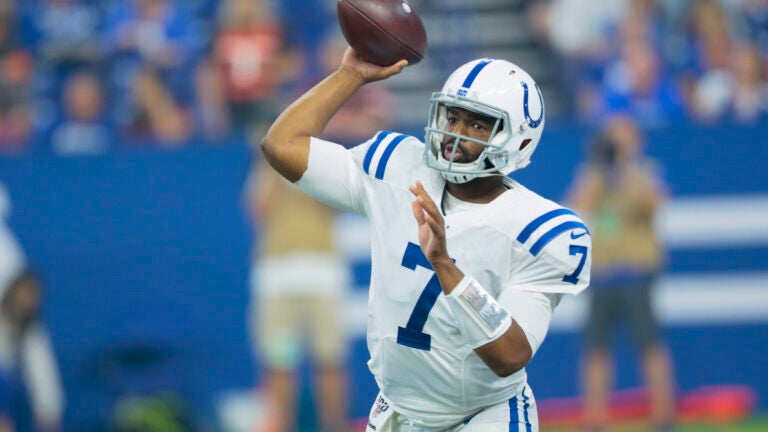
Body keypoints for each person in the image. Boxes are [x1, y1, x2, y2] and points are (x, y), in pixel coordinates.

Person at [259, 46, 592, 431]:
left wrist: (445, 266)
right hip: (399, 412)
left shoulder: (538, 228)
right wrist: (349, 76)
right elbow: (281, 145)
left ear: (517, 141)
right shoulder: (399, 166)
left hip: (486, 417)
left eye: (478, 125)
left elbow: (510, 356)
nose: (455, 134)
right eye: (453, 117)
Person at [566, 114, 675, 432]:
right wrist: (601, 167)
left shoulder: (646, 171)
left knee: (649, 344)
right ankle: (595, 418)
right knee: (595, 348)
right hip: (602, 273)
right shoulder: (594, 172)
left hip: (636, 271)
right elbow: (579, 202)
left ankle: (663, 415)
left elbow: (654, 204)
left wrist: (626, 169)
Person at [245, 159, 350, 432]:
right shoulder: (265, 168)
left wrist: (308, 171)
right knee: (281, 361)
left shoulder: (319, 166)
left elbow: (336, 206)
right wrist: (271, 164)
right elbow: (259, 208)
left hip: (322, 275)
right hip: (279, 280)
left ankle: (334, 426)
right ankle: (282, 424)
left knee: (329, 360)